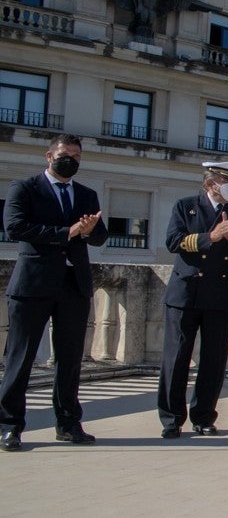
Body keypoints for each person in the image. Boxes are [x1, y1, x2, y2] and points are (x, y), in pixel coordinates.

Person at [0, 134, 107, 451]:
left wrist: (88, 231)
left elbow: (99, 236)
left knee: (70, 360)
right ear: (49, 156)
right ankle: (9, 426)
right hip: (33, 285)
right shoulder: (25, 188)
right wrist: (68, 232)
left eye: (76, 155)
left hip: (73, 285)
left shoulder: (87, 195)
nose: (70, 159)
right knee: (21, 358)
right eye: (64, 154)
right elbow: (16, 227)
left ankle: (68, 423)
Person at [158, 160, 228, 438]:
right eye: (225, 180)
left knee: (213, 361)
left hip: (221, 295)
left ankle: (204, 416)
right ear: (209, 183)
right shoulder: (185, 205)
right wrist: (211, 237)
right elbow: (173, 241)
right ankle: (171, 419)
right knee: (176, 358)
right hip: (186, 292)